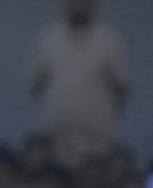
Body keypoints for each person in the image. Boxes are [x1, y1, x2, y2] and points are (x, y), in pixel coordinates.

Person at [28, 0, 129, 169]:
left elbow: (122, 90)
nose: (78, 5)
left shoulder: (111, 43)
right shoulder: (47, 40)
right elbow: (36, 86)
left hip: (97, 147)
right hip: (54, 145)